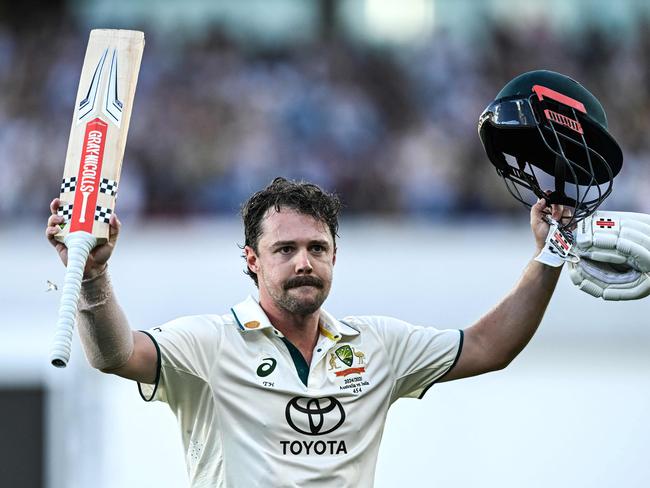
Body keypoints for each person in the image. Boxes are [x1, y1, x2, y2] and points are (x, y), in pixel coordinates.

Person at [46, 177, 565, 487]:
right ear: (251, 260)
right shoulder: (209, 342)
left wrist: (550, 255)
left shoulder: (377, 344)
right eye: (284, 249)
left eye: (317, 249)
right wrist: (92, 277)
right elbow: (115, 355)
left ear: (335, 256)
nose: (304, 263)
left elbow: (488, 346)